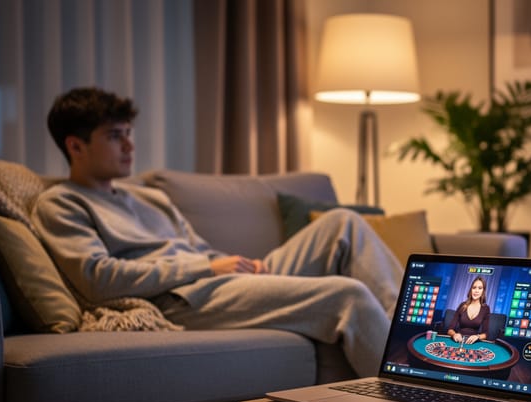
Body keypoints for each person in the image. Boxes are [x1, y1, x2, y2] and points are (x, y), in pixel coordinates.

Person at [32, 87, 403, 377]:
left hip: (215, 283)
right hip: (178, 300)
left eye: (129, 133)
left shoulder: (150, 197)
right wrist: (207, 268)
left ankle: (416, 339)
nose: (130, 145)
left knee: (344, 222)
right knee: (347, 296)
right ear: (75, 145)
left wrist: (240, 267)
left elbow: (199, 250)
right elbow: (98, 280)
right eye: (115, 136)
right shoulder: (61, 204)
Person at [445, 276, 491, 345]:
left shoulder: (485, 308)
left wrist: (477, 336)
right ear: (471, 290)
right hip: (459, 341)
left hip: (473, 343)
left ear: (483, 291)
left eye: (480, 288)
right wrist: (454, 334)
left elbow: (486, 334)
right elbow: (450, 329)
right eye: (474, 287)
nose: (476, 291)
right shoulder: (462, 305)